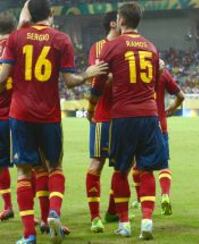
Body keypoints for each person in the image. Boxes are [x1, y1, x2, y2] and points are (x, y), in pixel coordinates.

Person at [0, 0, 108, 243]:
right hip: (48, 114)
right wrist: (87, 74)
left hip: (19, 114)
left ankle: (28, 235)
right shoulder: (61, 39)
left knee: (24, 172)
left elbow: (2, 78)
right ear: (50, 14)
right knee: (54, 167)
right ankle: (53, 212)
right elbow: (70, 81)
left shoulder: (16, 38)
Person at [89, 2, 167, 240]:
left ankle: (124, 223)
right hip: (149, 114)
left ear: (121, 20)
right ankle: (146, 221)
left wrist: (91, 107)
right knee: (146, 170)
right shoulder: (151, 47)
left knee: (120, 170)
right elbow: (156, 81)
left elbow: (99, 83)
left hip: (123, 116)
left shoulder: (112, 46)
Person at [132, 67, 185, 216]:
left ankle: (140, 199)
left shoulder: (133, 70)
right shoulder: (162, 72)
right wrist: (172, 108)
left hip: (139, 123)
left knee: (139, 165)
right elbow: (181, 96)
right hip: (160, 124)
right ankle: (165, 195)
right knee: (164, 164)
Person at [85, 11, 120, 233]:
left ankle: (111, 212)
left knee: (122, 167)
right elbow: (94, 78)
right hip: (103, 113)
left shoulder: (130, 45)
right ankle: (95, 216)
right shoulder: (98, 48)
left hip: (125, 117)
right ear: (113, 22)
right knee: (97, 164)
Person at [0, 13, 16, 222]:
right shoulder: (18, 46)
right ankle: (36, 214)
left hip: (0, 116)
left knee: (1, 164)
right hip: (22, 113)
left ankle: (8, 205)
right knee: (30, 165)